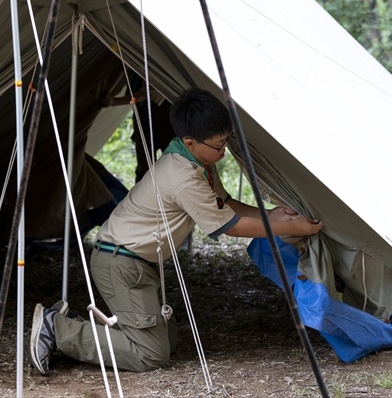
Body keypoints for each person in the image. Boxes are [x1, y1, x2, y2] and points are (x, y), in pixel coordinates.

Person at [28, 88, 323, 375]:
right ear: (190, 142)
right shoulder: (183, 176)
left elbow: (225, 204)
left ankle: (78, 325)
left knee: (166, 342)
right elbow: (229, 225)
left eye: (225, 142)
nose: (223, 152)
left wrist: (269, 214)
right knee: (151, 354)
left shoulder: (196, 160)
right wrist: (288, 227)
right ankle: (57, 328)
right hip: (119, 263)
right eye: (217, 146)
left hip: (135, 263)